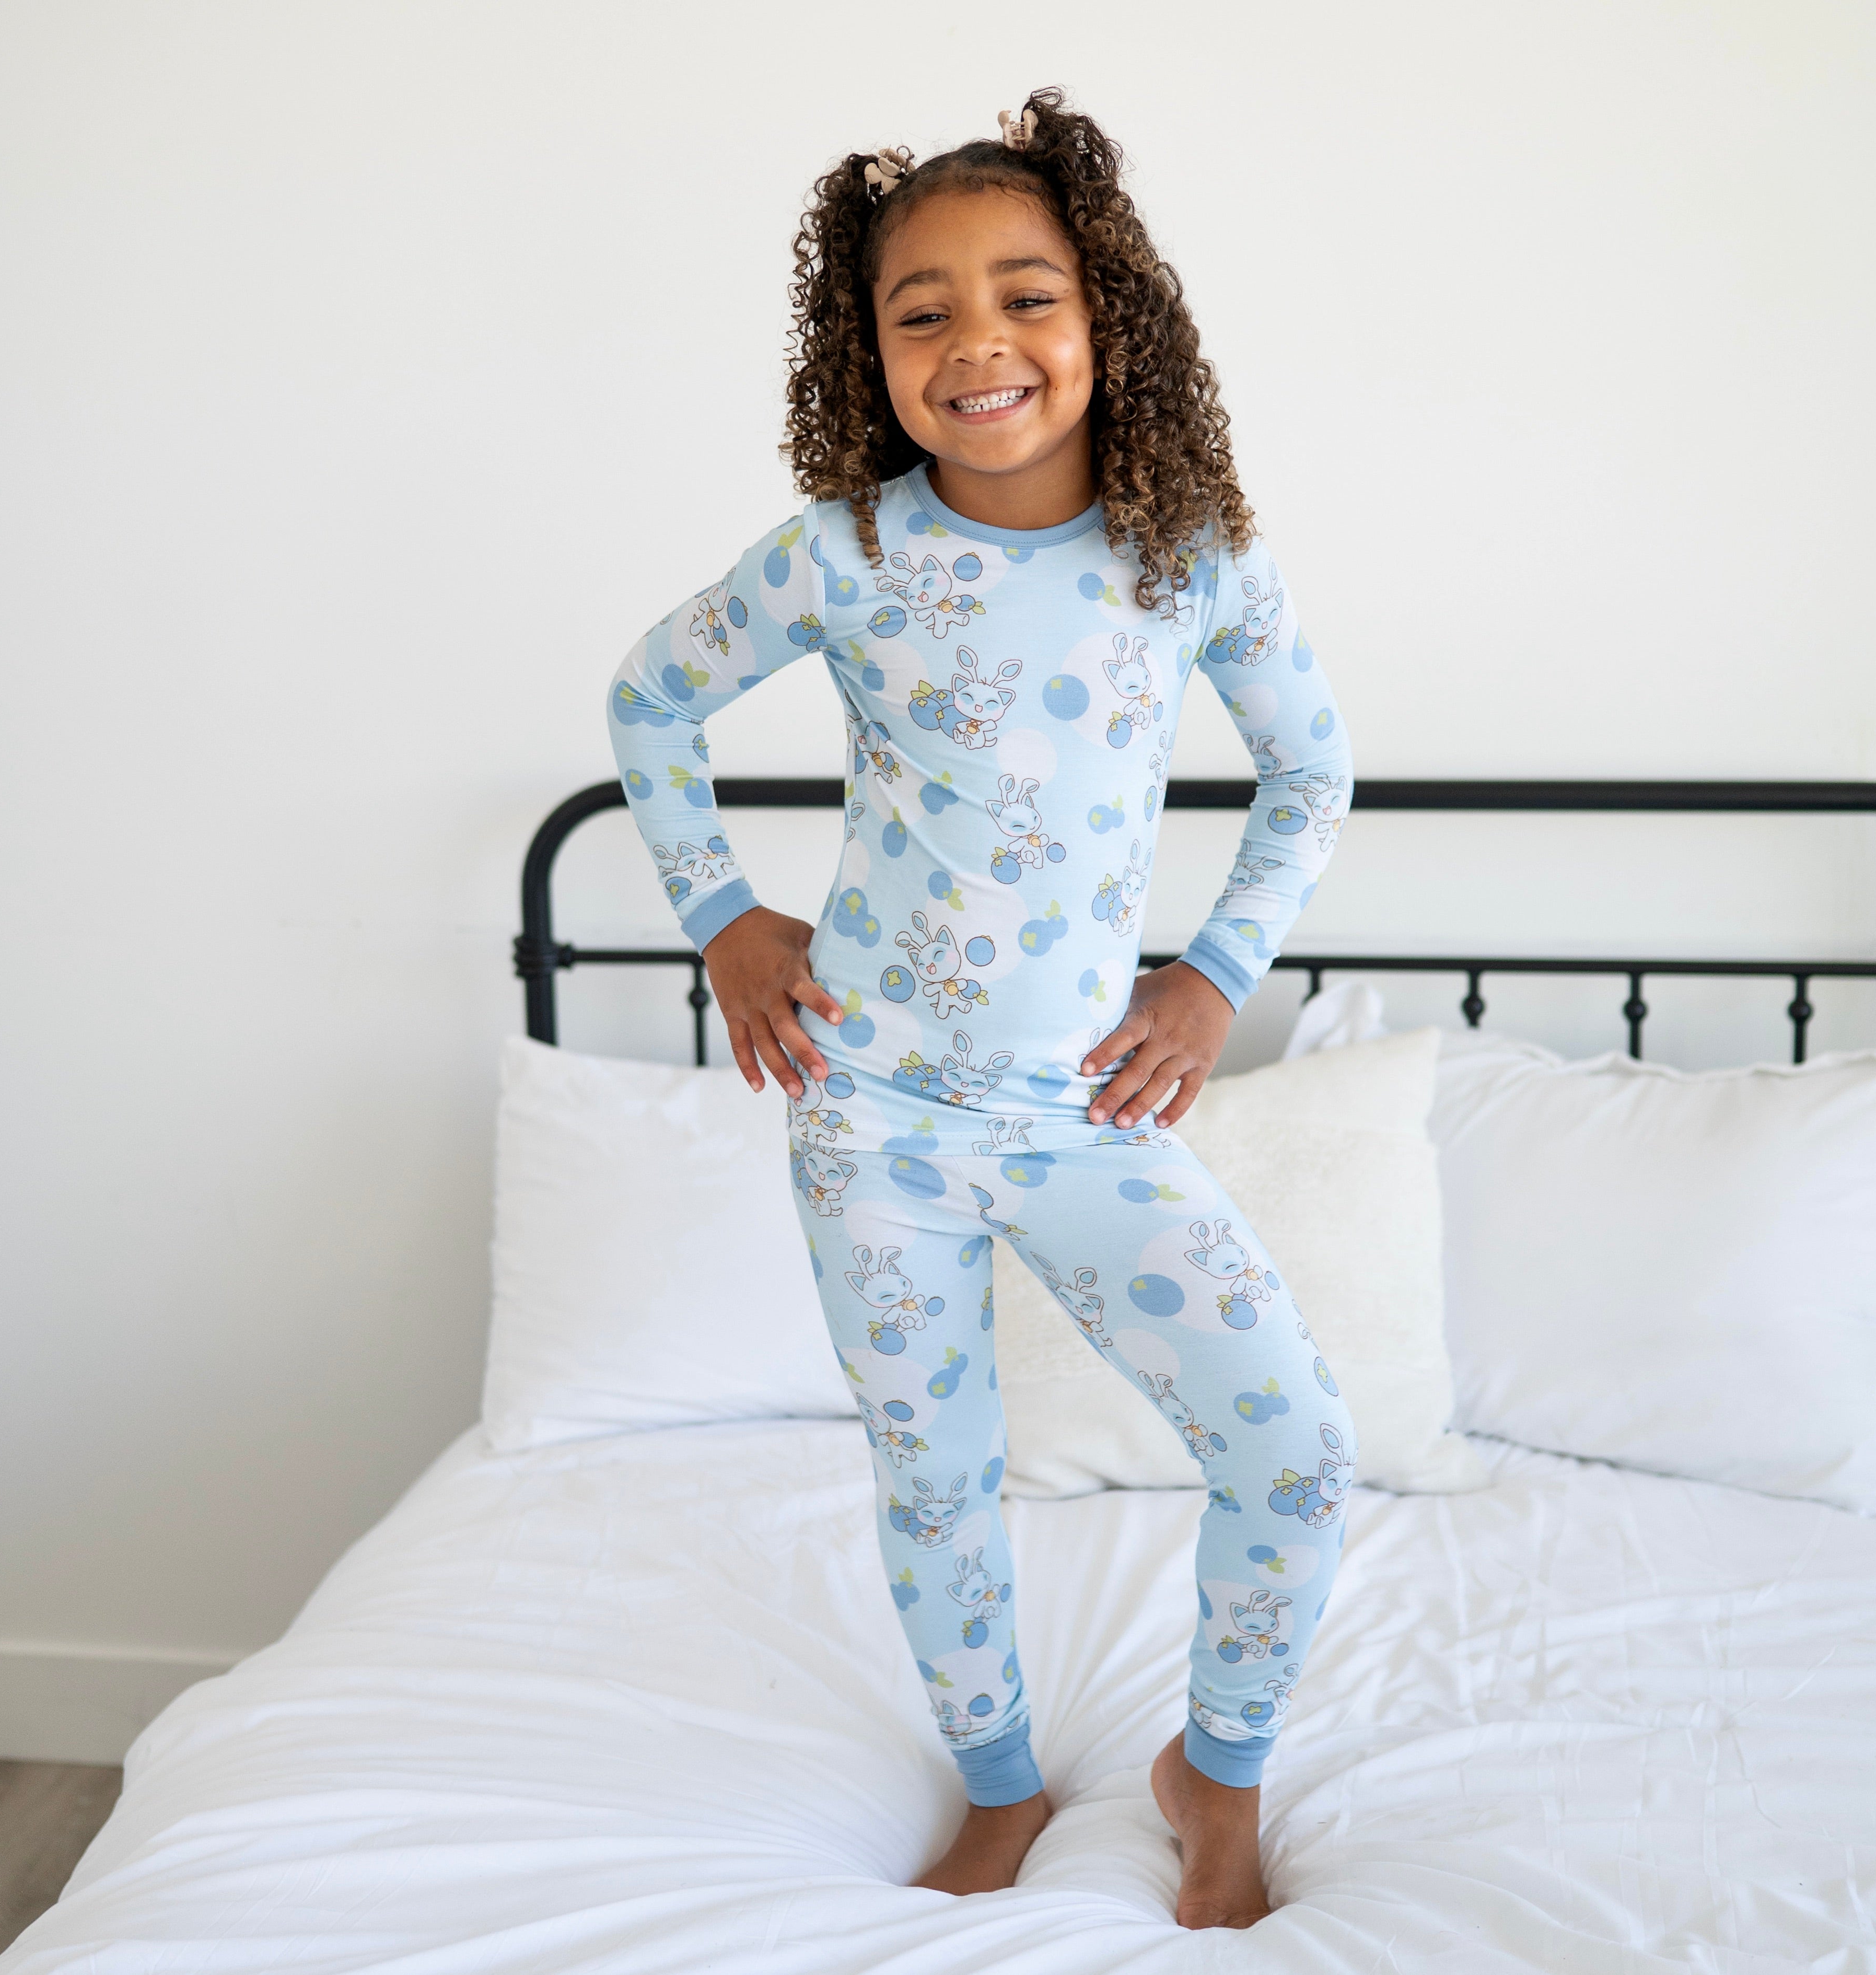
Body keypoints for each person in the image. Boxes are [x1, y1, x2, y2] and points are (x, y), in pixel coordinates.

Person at [608, 89, 1356, 1931]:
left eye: (1024, 294)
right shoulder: (843, 555)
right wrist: (721, 918)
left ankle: (1219, 1767)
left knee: (1292, 1443)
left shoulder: (1189, 558)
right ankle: (1002, 1782)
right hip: (867, 1105)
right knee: (934, 1482)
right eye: (918, 310)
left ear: (1109, 321)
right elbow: (646, 699)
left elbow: (1311, 768)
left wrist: (1208, 976)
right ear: (865, 354)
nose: (978, 343)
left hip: (1080, 1113)